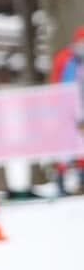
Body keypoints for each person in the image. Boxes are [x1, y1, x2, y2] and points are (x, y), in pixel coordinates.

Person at [49, 26, 84, 194]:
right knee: (65, 146)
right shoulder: (66, 59)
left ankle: (81, 179)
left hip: (81, 107)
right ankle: (60, 182)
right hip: (67, 109)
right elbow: (60, 83)